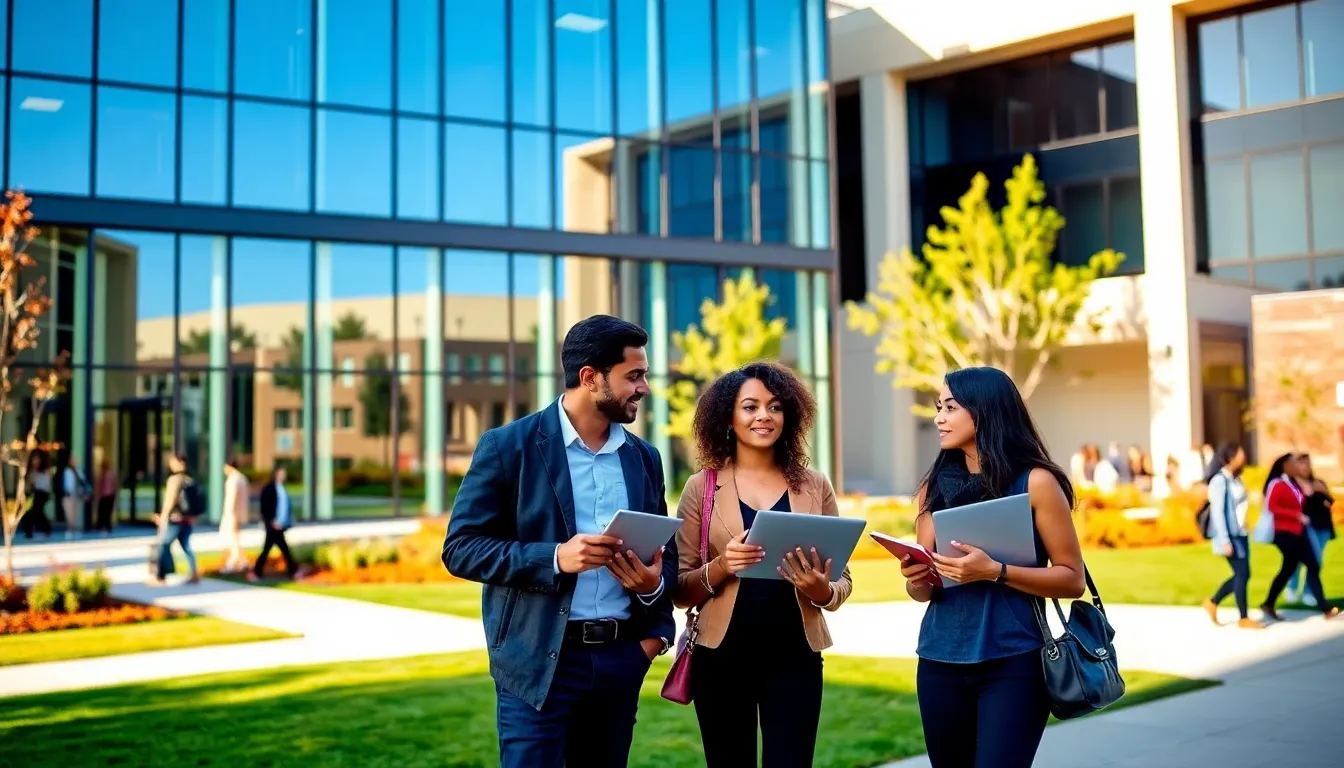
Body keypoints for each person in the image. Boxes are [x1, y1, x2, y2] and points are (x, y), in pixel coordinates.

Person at [442, 315, 676, 768]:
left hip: (619, 660)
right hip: (536, 664)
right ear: (590, 378)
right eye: (634, 376)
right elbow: (461, 547)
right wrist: (555, 557)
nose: (644, 387)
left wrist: (651, 613)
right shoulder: (508, 447)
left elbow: (669, 556)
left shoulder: (645, 458)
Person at [899, 366, 1086, 768]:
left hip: (1013, 663)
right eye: (938, 407)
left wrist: (996, 571)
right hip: (938, 662)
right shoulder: (933, 488)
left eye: (950, 407)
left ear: (983, 411)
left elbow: (1072, 579)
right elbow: (922, 592)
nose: (938, 418)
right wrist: (917, 577)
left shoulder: (1035, 482)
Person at [673, 362, 852, 768]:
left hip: (796, 658)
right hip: (720, 658)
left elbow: (841, 580)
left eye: (774, 407)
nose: (764, 417)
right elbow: (681, 589)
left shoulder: (814, 485)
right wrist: (722, 566)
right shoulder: (701, 487)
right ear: (728, 418)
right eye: (750, 407)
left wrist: (821, 589)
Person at [1260, 453, 1340, 621]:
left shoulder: (1292, 484)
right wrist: (1295, 514)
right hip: (1285, 533)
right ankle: (1325, 608)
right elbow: (1272, 506)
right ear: (1284, 466)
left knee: (1300, 567)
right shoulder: (1277, 484)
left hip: (1298, 532)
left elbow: (1303, 503)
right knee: (1304, 566)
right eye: (1292, 463)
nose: (1296, 466)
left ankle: (1269, 603)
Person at [1201, 442, 1262, 628]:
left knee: (1242, 574)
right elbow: (1218, 512)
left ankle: (1212, 602)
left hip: (1241, 533)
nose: (1243, 458)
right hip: (1230, 536)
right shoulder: (1219, 481)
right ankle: (1243, 617)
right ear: (1229, 458)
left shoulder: (1237, 479)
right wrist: (1225, 540)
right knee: (1242, 574)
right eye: (1240, 455)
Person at [1285, 454, 1335, 607]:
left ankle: (1308, 592)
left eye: (1307, 463)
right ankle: (1291, 588)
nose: (1305, 467)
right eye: (1301, 463)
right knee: (1299, 560)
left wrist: (1323, 492)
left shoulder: (1317, 482)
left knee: (1316, 562)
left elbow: (1329, 502)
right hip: (1304, 529)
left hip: (1323, 528)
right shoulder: (1292, 485)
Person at [155, 454, 200, 585]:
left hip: (175, 519)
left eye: (172, 462)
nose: (171, 465)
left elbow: (171, 499)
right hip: (187, 519)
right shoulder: (189, 479)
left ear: (179, 463)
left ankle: (161, 575)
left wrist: (164, 516)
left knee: (163, 545)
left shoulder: (174, 480)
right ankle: (194, 572)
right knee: (186, 546)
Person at [251, 466, 297, 580]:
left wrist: (287, 520)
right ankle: (257, 572)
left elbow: (285, 506)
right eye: (281, 473)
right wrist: (272, 520)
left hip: (281, 524)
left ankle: (293, 570)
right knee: (272, 549)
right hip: (272, 525)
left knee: (281, 548)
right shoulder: (269, 488)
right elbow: (265, 507)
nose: (283, 476)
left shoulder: (283, 489)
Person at [219, 457, 252, 574]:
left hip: (233, 514)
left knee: (233, 539)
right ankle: (243, 562)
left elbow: (231, 500)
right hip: (240, 513)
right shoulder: (242, 478)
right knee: (236, 539)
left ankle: (232, 563)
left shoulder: (233, 479)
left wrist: (229, 515)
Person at [21, 451, 53, 539]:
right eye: (33, 460)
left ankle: (46, 529)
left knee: (38, 511)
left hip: (41, 493)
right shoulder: (30, 471)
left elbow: (46, 485)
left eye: (37, 459)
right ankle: (28, 531)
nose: (35, 461)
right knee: (29, 512)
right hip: (31, 493)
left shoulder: (45, 471)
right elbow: (27, 483)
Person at [61, 453, 91, 539]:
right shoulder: (66, 471)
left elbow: (83, 482)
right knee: (68, 513)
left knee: (74, 513)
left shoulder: (78, 471)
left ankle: (72, 529)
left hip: (76, 495)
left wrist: (85, 493)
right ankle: (70, 528)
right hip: (67, 495)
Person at [94, 459, 118, 535]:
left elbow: (114, 484)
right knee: (105, 512)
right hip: (108, 495)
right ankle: (104, 526)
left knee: (104, 512)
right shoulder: (106, 474)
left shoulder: (105, 474)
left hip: (106, 495)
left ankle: (104, 526)